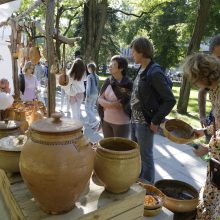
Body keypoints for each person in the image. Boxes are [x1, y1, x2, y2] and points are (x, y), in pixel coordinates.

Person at [130, 37, 176, 183]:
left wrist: (155, 121)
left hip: (145, 122)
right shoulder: (141, 69)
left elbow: (170, 100)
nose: (132, 54)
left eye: (133, 51)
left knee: (146, 156)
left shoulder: (154, 71)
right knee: (136, 154)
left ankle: (148, 189)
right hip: (134, 119)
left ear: (142, 52)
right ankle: (138, 182)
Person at [183, 53, 220, 220]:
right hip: (216, 160)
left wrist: (207, 148)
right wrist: (204, 131)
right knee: (208, 197)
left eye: (194, 78)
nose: (193, 83)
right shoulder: (214, 90)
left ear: (202, 75)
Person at [97, 55, 133, 138]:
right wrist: (111, 104)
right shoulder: (108, 81)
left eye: (113, 64)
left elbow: (121, 105)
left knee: (119, 149)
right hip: (106, 121)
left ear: (121, 68)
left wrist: (106, 104)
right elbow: (99, 99)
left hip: (121, 123)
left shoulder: (128, 84)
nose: (110, 65)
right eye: (110, 63)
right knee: (107, 148)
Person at [198, 34, 220, 142]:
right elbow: (202, 92)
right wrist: (202, 116)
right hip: (214, 123)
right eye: (219, 57)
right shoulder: (213, 75)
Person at [85, 62, 99, 128]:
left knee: (87, 108)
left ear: (90, 68)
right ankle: (90, 122)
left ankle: (94, 120)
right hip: (96, 94)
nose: (87, 69)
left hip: (90, 94)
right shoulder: (97, 76)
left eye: (88, 68)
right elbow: (97, 86)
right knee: (92, 107)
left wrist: (87, 96)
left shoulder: (89, 76)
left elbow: (88, 87)